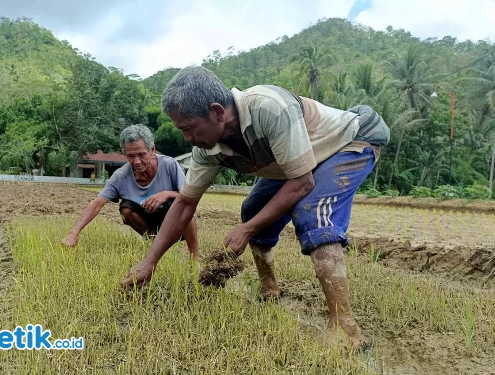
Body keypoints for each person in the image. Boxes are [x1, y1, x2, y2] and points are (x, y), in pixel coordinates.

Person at [119, 66, 390, 349]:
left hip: (349, 141)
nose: (186, 138)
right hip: (298, 162)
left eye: (188, 128)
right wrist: (148, 262)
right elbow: (185, 202)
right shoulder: (206, 149)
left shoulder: (269, 108)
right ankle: (269, 289)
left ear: (217, 112)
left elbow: (301, 183)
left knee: (314, 213)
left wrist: (246, 231)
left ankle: (346, 330)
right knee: (253, 209)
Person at [61, 124, 200, 264]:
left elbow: (189, 196)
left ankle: (195, 259)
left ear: (152, 150)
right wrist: (74, 233)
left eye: (141, 155)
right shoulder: (121, 176)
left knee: (185, 206)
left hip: (175, 219)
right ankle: (154, 243)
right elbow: (97, 204)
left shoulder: (170, 165)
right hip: (148, 219)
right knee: (126, 208)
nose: (137, 161)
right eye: (131, 156)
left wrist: (166, 193)